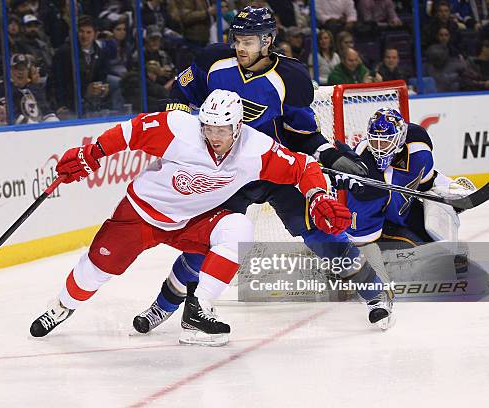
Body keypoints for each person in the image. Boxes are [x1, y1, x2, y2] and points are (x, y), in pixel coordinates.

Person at [133, 6, 394, 335]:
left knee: (320, 233)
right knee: (203, 243)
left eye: (250, 41)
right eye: (237, 39)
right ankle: (164, 305)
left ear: (268, 40)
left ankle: (375, 294)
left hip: (272, 167)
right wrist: (180, 139)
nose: (241, 47)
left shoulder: (290, 78)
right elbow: (180, 96)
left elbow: (302, 131)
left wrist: (329, 153)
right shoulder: (213, 61)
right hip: (225, 172)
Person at [29, 89, 351, 345]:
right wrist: (91, 154)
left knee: (238, 227)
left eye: (222, 128)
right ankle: (61, 306)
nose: (213, 135)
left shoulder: (256, 149)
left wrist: (317, 195)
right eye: (208, 126)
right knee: (94, 272)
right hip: (141, 214)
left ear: (238, 126)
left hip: (193, 221)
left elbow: (304, 166)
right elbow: (130, 132)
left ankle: (200, 310)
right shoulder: (178, 129)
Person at [345, 107, 474, 247]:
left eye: (386, 141)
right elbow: (361, 238)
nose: (379, 148)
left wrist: (446, 190)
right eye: (375, 141)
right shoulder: (364, 169)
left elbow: (426, 183)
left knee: (442, 246)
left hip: (405, 211)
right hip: (380, 223)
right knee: (421, 252)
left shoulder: (419, 147)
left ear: (400, 138)